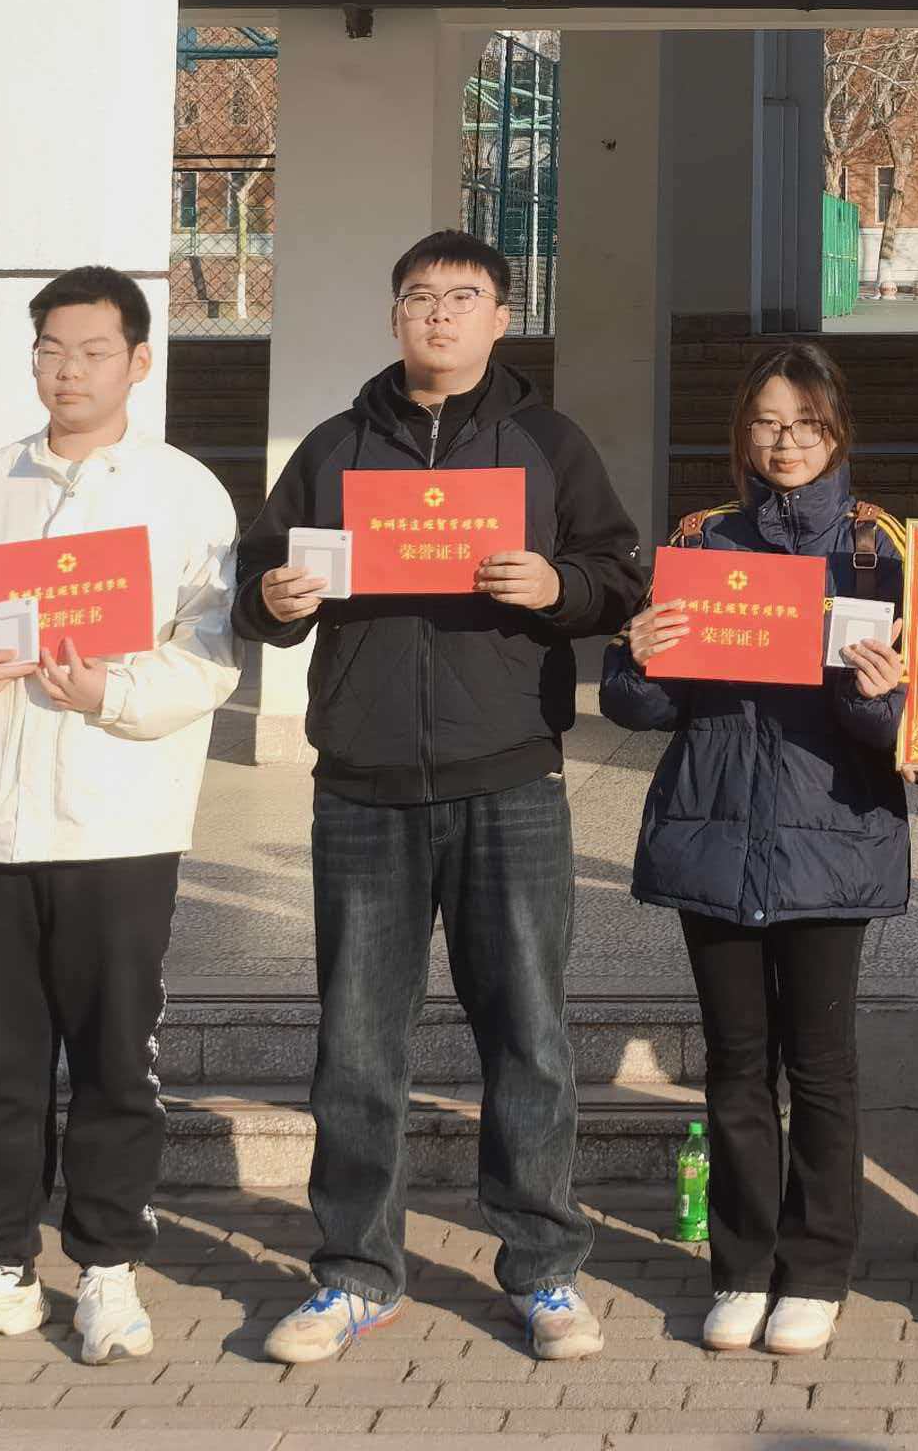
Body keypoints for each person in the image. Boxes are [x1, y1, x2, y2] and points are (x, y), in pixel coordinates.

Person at [235, 227, 648, 1367]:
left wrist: (557, 584)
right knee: (358, 1043)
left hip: (507, 773)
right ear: (394, 315)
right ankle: (355, 1273)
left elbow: (619, 576)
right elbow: (254, 583)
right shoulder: (334, 446)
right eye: (419, 296)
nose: (438, 314)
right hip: (361, 785)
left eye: (462, 297)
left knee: (528, 1034)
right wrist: (275, 598)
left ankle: (545, 1268)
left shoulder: (548, 445)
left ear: (500, 318)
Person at [0, 266, 243, 1370]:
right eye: (52, 350)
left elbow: (211, 652)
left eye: (93, 352)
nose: (69, 371)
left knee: (113, 1061)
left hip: (116, 819)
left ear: (138, 361)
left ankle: (105, 1267)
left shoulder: (185, 492)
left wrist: (111, 693)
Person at [599, 343, 912, 1357]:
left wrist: (881, 696)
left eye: (806, 424)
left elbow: (910, 726)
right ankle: (739, 1267)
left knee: (820, 1069)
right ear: (742, 432)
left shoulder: (879, 553)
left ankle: (815, 1272)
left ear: (838, 431)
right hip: (716, 831)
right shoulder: (700, 540)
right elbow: (641, 707)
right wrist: (637, 658)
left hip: (832, 837)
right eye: (768, 422)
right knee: (736, 1065)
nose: (786, 442)